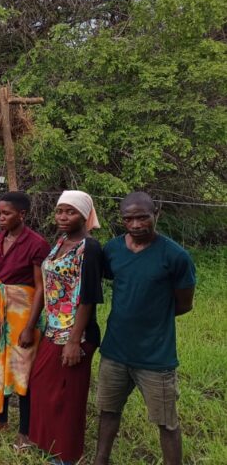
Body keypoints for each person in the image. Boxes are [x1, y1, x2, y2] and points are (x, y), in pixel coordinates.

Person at [94, 192, 196, 465]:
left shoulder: (175, 256)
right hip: (114, 351)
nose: (136, 225)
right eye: (129, 219)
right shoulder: (113, 250)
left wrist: (152, 321)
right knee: (107, 411)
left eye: (142, 217)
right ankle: (100, 460)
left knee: (166, 423)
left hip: (155, 358)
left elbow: (184, 304)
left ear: (156, 214)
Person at [28, 191, 104, 464]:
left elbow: (89, 296)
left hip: (76, 333)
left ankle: (67, 455)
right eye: (59, 210)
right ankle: (49, 444)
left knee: (68, 396)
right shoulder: (60, 241)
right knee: (43, 386)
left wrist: (74, 341)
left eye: (70, 212)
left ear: (84, 215)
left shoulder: (89, 248)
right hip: (52, 329)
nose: (62, 216)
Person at [0, 191, 50, 449]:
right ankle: (0, 419)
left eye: (6, 213)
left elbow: (40, 287)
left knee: (21, 369)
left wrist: (30, 327)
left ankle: (25, 431)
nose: (0, 218)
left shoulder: (37, 244)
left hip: (22, 314)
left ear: (22, 215)